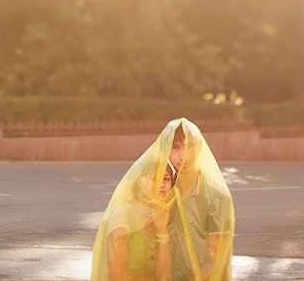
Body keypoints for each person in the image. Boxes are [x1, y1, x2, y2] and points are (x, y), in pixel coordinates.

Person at [91, 118, 235, 281]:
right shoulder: (168, 190)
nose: (183, 155)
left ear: (199, 148)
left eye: (189, 146)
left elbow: (216, 259)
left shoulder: (216, 196)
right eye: (175, 148)